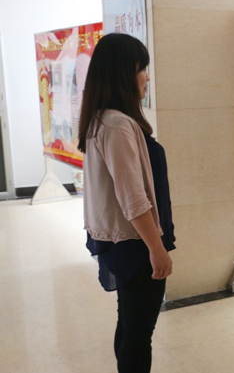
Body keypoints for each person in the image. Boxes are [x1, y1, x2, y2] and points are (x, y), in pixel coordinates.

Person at [77, 33, 176, 373]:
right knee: (138, 333)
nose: (146, 77)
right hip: (136, 243)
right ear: (123, 74)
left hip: (123, 242)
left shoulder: (102, 118)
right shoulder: (117, 125)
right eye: (141, 69)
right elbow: (132, 197)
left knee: (130, 325)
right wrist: (156, 248)